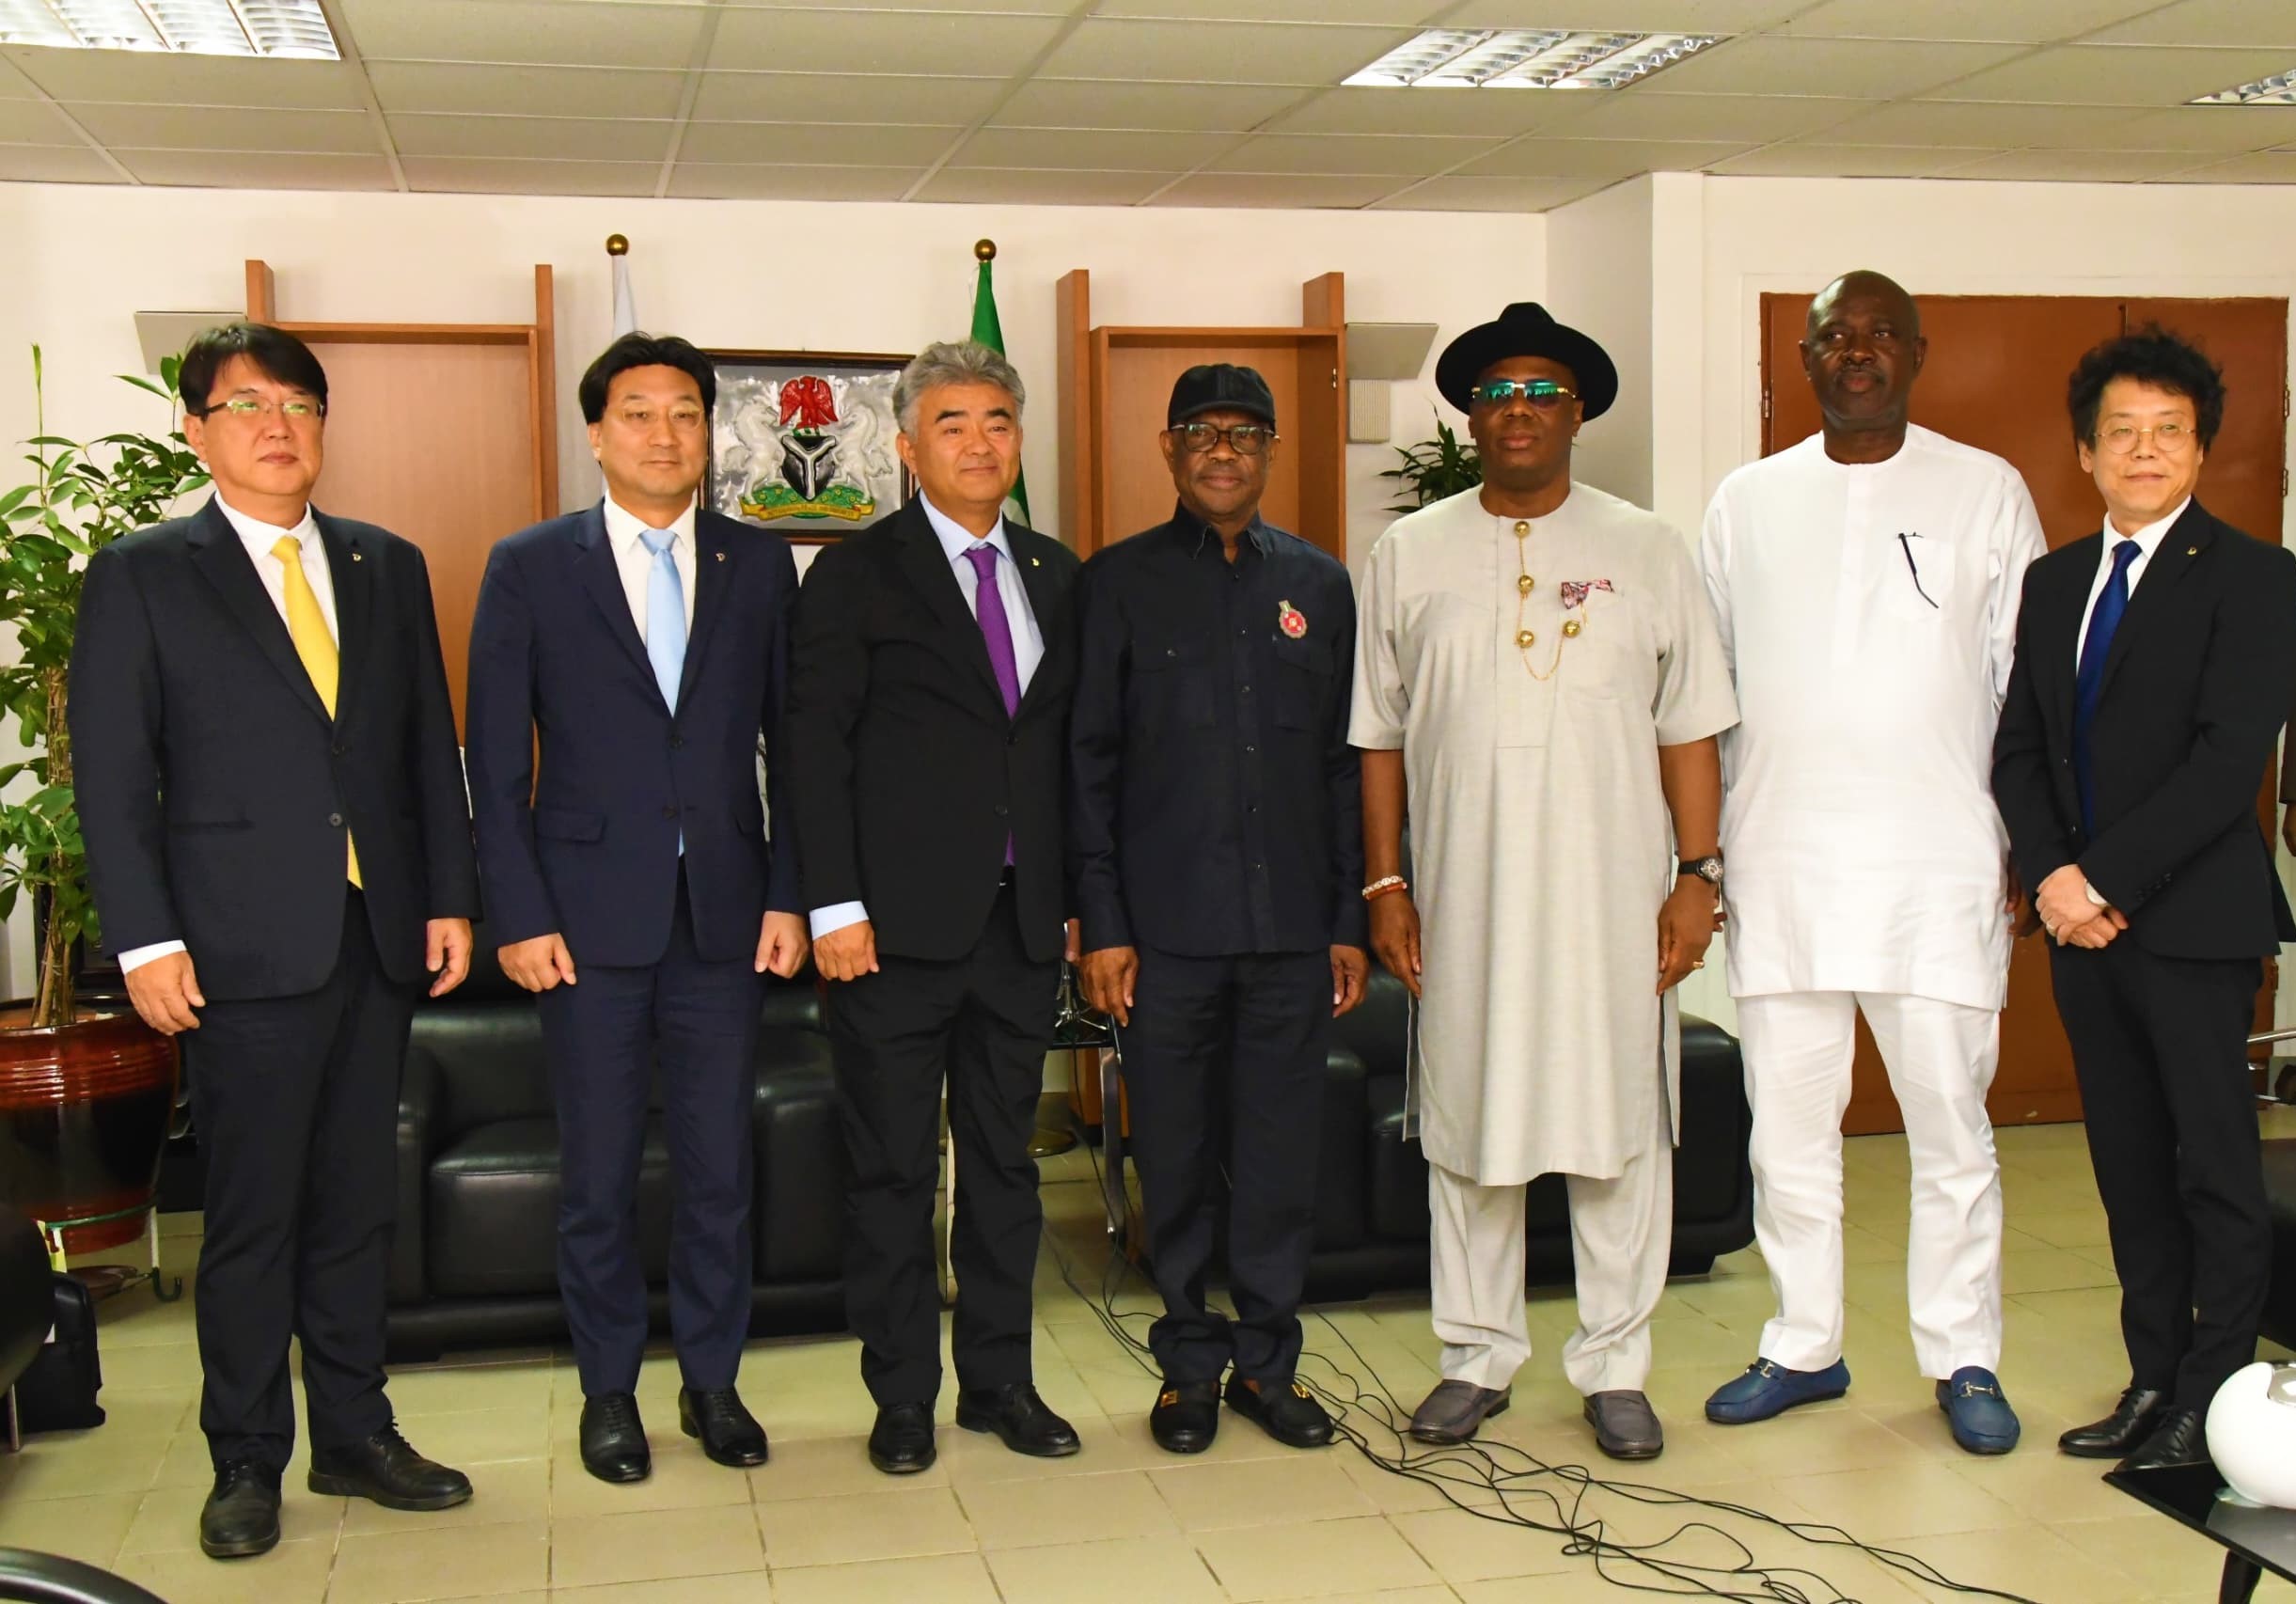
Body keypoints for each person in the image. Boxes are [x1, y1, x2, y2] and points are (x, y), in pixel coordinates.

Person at [69, 322, 478, 1559]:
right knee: (252, 1216)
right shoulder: (144, 572)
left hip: (376, 935)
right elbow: (113, 770)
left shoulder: (384, 563)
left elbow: (422, 749)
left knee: (358, 1204)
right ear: (195, 429)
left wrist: (448, 896)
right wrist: (145, 938)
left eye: (299, 402)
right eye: (246, 403)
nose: (277, 423)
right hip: (237, 946)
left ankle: (355, 1430)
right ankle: (247, 1457)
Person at [1351, 303, 1738, 1462]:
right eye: (1496, 393)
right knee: (1469, 1126)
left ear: (1578, 414)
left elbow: (1692, 729)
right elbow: (1378, 733)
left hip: (1615, 895)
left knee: (1621, 1124)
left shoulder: (1648, 548)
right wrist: (1385, 883)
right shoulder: (1408, 552)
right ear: (1469, 415)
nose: (1516, 411)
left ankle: (1617, 1364)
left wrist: (1698, 876)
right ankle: (1476, 1354)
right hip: (1462, 897)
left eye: (1540, 393)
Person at [1696, 272, 2046, 1455]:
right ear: (1804, 359)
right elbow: (1706, 690)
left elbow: (2026, 686)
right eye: (1835, 336)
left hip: (1941, 865)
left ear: (1917, 354)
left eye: (1880, 335)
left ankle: (1964, 1355)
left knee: (1952, 1126)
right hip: (1782, 859)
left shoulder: (1985, 490)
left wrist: (2030, 842)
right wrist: (1703, 857)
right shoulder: (1748, 500)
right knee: (1786, 1129)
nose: (1858, 353)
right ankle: (1804, 1343)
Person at [464, 332, 809, 1484]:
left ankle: (713, 1382)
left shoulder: (760, 565)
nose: (664, 434)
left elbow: (792, 746)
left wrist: (791, 893)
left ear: (709, 432)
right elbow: (493, 757)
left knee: (720, 1169)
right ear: (597, 432)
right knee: (600, 1172)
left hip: (723, 914)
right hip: (582, 920)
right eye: (639, 413)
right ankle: (608, 1392)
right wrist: (516, 911)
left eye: (684, 414)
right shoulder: (528, 564)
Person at [1993, 326, 2296, 1471]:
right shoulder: (2057, 578)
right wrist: (2055, 879)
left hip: (2195, 923)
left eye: (2169, 430)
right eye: (2122, 431)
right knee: (2126, 1165)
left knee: (2213, 1168)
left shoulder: (2260, 578)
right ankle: (2153, 1375)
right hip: (2082, 928)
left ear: (2201, 446)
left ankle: (2212, 1402)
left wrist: (2102, 877)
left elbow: (2228, 762)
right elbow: (2019, 747)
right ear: (2086, 450)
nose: (2146, 449)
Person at [782, 340, 1082, 1475]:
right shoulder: (855, 574)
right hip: (890, 934)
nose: (978, 441)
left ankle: (999, 1383)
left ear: (1018, 439)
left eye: (998, 420)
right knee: (895, 1172)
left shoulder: (1059, 573)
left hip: (1017, 926)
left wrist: (1075, 903)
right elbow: (814, 748)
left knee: (1008, 1167)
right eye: (952, 422)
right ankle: (902, 1393)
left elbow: (1066, 756)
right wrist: (832, 905)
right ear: (908, 446)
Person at [1069, 364, 1368, 1455]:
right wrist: (1101, 923)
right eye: (1202, 431)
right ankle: (1188, 1367)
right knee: (1182, 1157)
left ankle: (1268, 1366)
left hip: (1292, 931)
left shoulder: (1322, 585)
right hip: (1164, 938)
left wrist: (1348, 916)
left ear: (1272, 452)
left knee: (1282, 1157)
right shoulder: (1116, 584)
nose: (1224, 449)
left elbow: (1345, 766)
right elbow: (1086, 766)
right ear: (1170, 449)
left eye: (1246, 433)